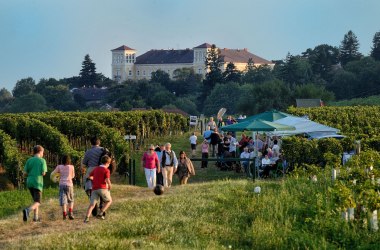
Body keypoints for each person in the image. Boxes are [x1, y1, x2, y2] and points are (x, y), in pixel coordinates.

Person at [84, 155, 113, 223]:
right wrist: (110, 185)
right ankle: (100, 213)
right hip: (102, 188)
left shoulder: (96, 168)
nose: (109, 165)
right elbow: (107, 179)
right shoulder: (106, 170)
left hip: (94, 189)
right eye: (109, 163)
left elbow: (89, 176)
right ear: (107, 163)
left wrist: (94, 179)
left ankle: (87, 218)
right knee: (109, 201)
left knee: (92, 204)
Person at [23, 145, 47, 222]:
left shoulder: (29, 160)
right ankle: (27, 210)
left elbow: (24, 173)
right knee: (38, 202)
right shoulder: (42, 160)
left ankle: (35, 217)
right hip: (38, 182)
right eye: (43, 152)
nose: (43, 153)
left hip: (30, 182)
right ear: (40, 151)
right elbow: (43, 173)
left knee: (35, 201)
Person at [51, 155, 75, 220]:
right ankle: (70, 212)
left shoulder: (59, 166)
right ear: (69, 160)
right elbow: (73, 176)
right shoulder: (71, 167)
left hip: (61, 184)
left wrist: (55, 179)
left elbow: (52, 174)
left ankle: (64, 214)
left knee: (63, 200)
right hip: (69, 184)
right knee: (71, 199)